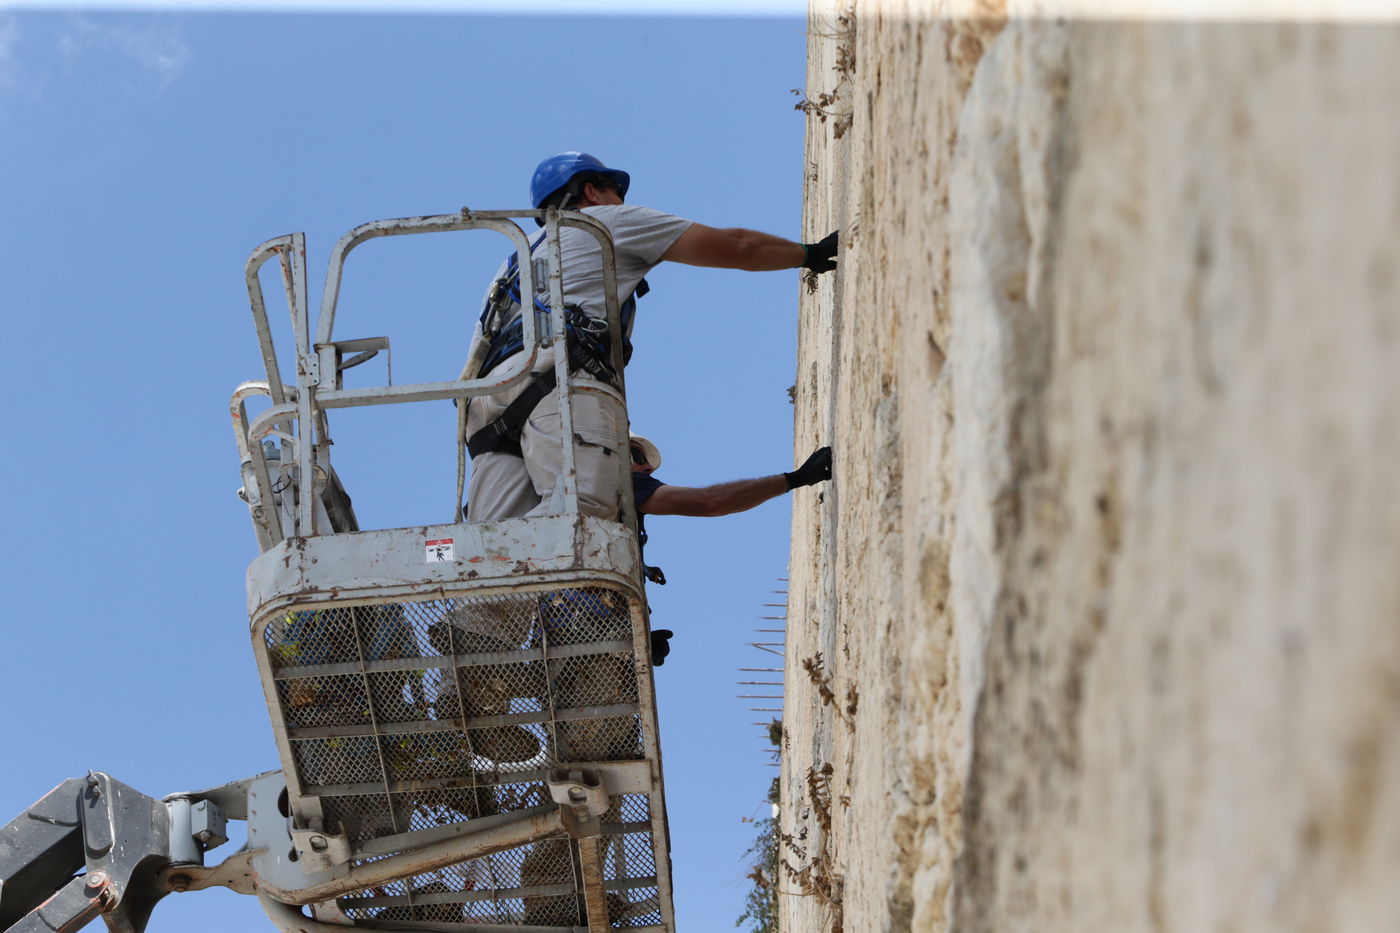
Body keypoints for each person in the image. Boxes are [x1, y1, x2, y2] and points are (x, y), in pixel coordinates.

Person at [464, 151, 839, 525]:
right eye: (615, 190)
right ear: (591, 191)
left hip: (486, 408)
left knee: (494, 543)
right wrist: (809, 254)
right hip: (555, 374)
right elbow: (739, 246)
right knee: (582, 514)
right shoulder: (604, 222)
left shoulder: (515, 259)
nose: (620, 200)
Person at [626, 434, 833, 665]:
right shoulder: (619, 483)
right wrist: (794, 480)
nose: (647, 467)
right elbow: (710, 501)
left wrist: (635, 639)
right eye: (636, 456)